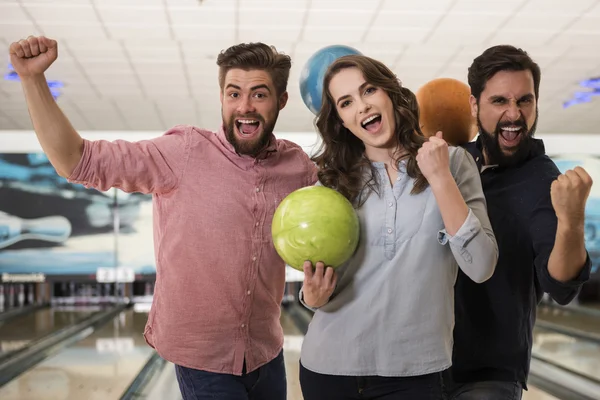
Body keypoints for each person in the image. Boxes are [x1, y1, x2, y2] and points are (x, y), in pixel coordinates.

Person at [9, 35, 318, 400]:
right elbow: (78, 160)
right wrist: (32, 80)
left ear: (281, 101)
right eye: (234, 93)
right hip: (202, 359)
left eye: (259, 94)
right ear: (221, 97)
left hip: (267, 353)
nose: (244, 106)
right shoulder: (182, 152)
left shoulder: (297, 167)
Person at [297, 54, 499, 400]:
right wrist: (310, 297)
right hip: (329, 368)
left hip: (416, 374)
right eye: (346, 103)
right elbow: (318, 282)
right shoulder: (332, 184)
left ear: (390, 93)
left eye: (368, 90)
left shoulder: (452, 162)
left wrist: (439, 179)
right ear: (342, 121)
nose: (361, 107)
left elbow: (481, 266)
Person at [444, 45, 594, 400]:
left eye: (525, 101)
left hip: (489, 372)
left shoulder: (543, 180)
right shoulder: (452, 164)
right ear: (474, 105)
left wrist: (571, 221)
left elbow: (560, 285)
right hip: (424, 362)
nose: (514, 114)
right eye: (500, 101)